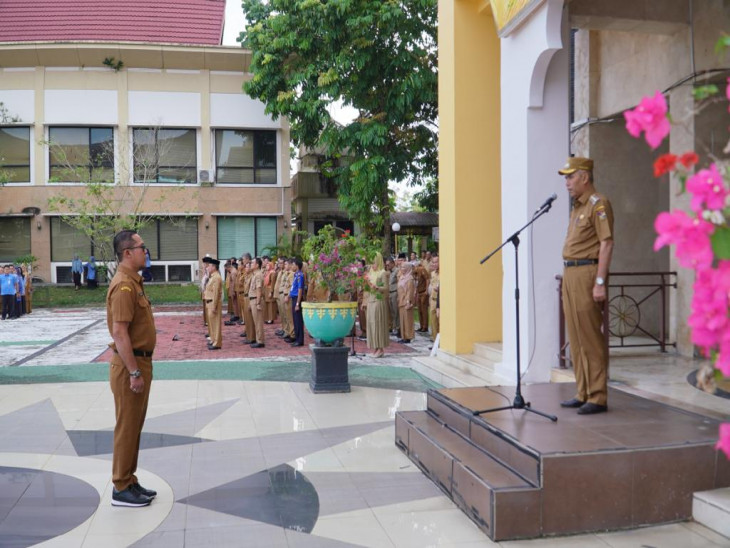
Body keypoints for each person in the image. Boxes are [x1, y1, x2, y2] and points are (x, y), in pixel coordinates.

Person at [557, 156, 614, 415]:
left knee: (590, 336)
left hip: (587, 272)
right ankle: (583, 391)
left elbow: (606, 243)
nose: (567, 182)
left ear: (584, 177)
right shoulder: (577, 207)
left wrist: (600, 281)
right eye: (566, 178)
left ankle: (598, 396)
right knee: (576, 336)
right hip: (570, 273)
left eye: (570, 177)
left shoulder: (598, 204)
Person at [107, 229, 157, 507]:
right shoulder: (124, 286)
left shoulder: (133, 282)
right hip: (131, 365)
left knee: (134, 424)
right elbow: (119, 332)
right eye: (142, 247)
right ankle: (121, 486)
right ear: (127, 253)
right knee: (127, 426)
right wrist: (134, 372)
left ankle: (129, 479)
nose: (145, 252)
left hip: (139, 362)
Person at [366, 252, 389, 358]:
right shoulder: (370, 273)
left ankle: (380, 348)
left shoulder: (382, 273)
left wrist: (377, 288)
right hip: (371, 300)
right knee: (371, 324)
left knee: (378, 324)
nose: (372, 265)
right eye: (371, 263)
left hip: (378, 301)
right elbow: (367, 288)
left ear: (379, 262)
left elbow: (386, 288)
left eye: (374, 263)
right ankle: (375, 347)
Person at [203, 257, 223, 350]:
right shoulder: (213, 277)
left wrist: (214, 306)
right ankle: (214, 340)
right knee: (212, 324)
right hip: (209, 302)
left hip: (213, 303)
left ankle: (217, 343)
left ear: (214, 267)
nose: (208, 267)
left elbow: (215, 293)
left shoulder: (216, 278)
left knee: (216, 324)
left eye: (210, 266)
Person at [397, 262, 417, 343]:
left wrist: (408, 301)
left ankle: (408, 337)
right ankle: (403, 336)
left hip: (406, 302)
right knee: (402, 320)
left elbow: (410, 291)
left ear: (408, 268)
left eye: (404, 267)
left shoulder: (410, 279)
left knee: (407, 320)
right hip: (401, 301)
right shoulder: (402, 277)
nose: (402, 269)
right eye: (401, 267)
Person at [248, 257, 266, 348]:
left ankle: (260, 341)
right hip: (253, 299)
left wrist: (258, 303)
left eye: (252, 263)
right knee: (256, 322)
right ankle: (258, 339)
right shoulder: (255, 274)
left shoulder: (258, 275)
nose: (250, 264)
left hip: (256, 300)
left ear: (257, 265)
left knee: (258, 322)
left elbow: (259, 290)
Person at [288, 258, 305, 346]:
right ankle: (297, 338)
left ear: (297, 266)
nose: (292, 266)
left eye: (293, 265)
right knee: (295, 320)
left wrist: (298, 303)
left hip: (297, 299)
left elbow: (300, 290)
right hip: (293, 298)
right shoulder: (296, 275)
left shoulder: (300, 276)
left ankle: (300, 340)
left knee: (298, 320)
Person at [428, 254, 440, 343]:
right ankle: (435, 342)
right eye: (433, 262)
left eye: (436, 262)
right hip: (432, 299)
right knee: (433, 322)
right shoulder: (432, 273)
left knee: (440, 323)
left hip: (440, 301)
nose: (435, 264)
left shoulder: (444, 273)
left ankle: (441, 343)